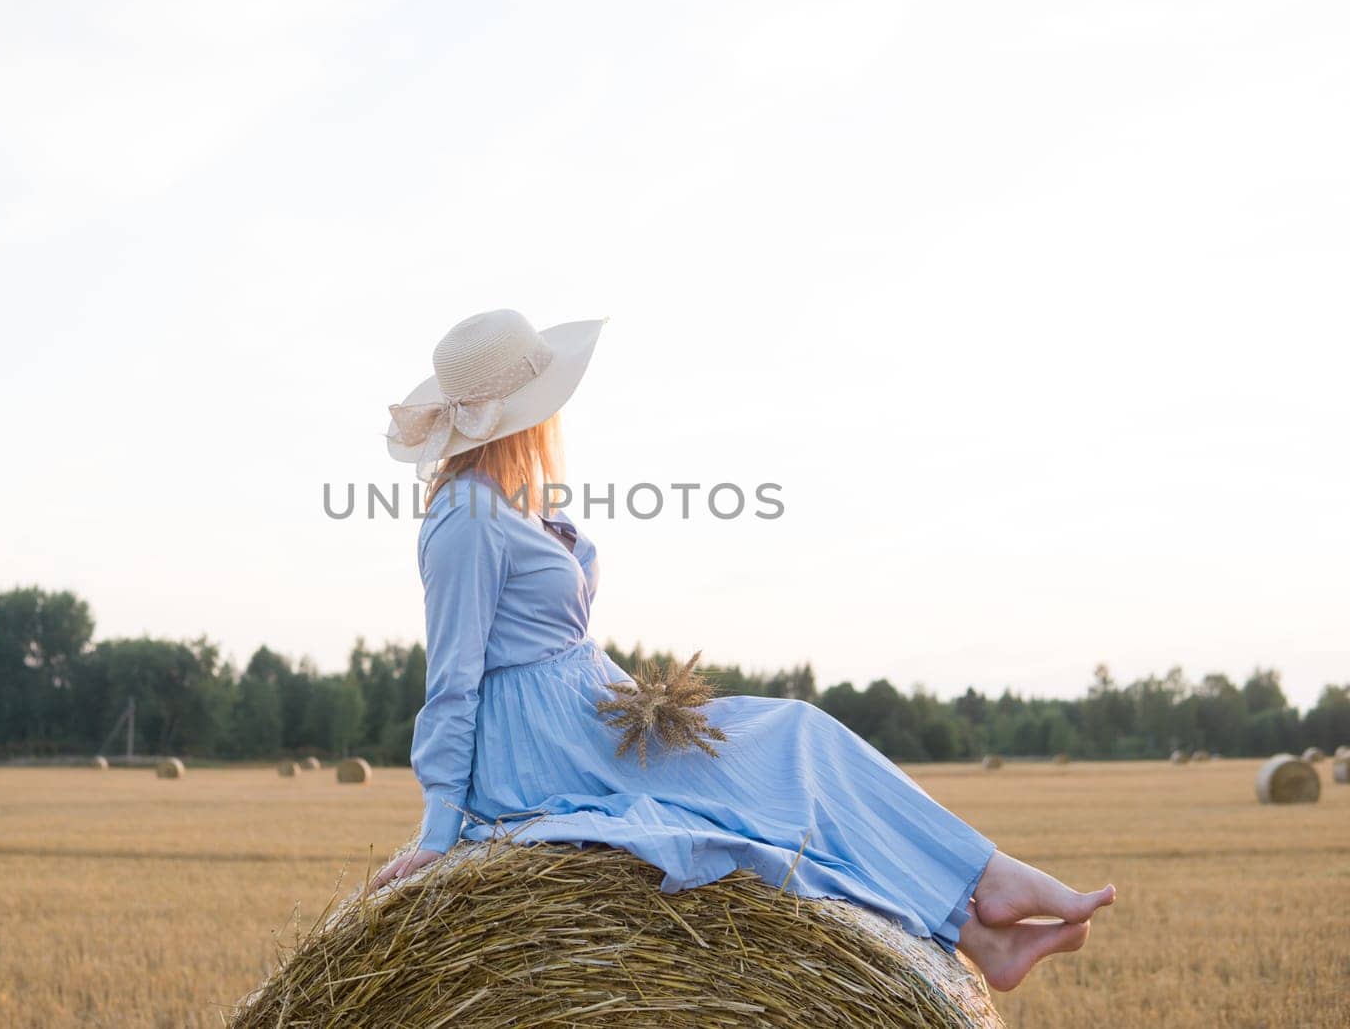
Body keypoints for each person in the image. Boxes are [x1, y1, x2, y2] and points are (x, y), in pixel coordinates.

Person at [373, 309, 1114, 991]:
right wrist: (443, 828)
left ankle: (982, 932)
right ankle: (989, 884)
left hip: (591, 716)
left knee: (780, 768)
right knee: (793, 738)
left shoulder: (511, 504)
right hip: (544, 748)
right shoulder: (465, 518)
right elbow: (453, 677)